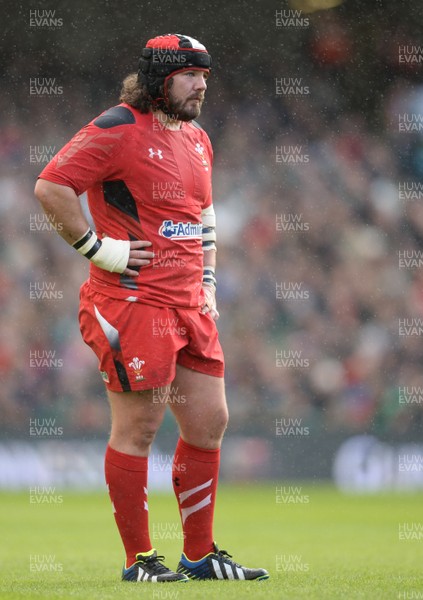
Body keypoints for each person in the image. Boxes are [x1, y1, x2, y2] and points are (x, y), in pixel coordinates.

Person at [34, 33, 269, 584]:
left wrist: (208, 277)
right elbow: (51, 186)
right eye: (191, 75)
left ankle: (200, 555)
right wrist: (99, 249)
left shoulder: (198, 138)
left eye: (206, 76)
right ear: (161, 79)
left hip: (190, 302)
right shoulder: (115, 127)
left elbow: (203, 213)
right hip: (130, 301)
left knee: (210, 422)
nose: (202, 85)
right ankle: (138, 562)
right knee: (139, 428)